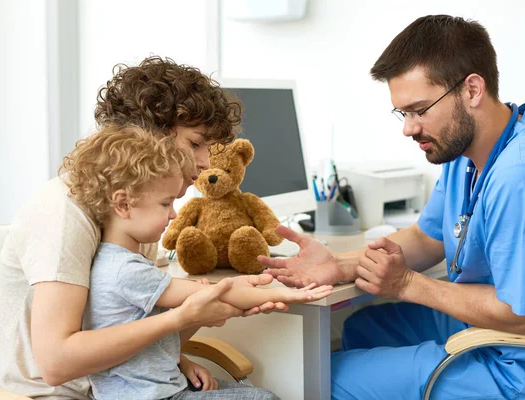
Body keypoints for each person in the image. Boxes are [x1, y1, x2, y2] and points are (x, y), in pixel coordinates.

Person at [259, 15, 525, 399]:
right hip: (497, 328)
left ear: (472, 89)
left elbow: (522, 316)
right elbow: (427, 237)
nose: (408, 128)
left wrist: (406, 284)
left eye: (419, 109)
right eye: (402, 113)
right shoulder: (473, 146)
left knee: (323, 378)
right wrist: (338, 264)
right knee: (361, 330)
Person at [0, 56, 288, 399]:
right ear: (148, 134)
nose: (206, 162)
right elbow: (57, 364)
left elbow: (132, 329)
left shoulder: (140, 213)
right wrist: (179, 319)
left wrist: (199, 318)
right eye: (195, 143)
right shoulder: (65, 210)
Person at [59, 125, 332, 399]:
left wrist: (197, 326)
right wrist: (287, 293)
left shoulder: (119, 261)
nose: (174, 215)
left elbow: (155, 339)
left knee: (250, 393)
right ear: (123, 205)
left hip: (163, 387)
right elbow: (217, 293)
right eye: (165, 204)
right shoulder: (125, 271)